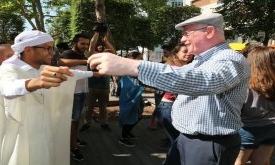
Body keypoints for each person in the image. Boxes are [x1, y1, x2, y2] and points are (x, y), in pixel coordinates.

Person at [88, 13, 251, 165]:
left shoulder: (230, 58)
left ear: (209, 31)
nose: (183, 39)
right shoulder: (202, 60)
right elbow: (178, 80)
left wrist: (132, 66)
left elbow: (204, 81)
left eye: (187, 33)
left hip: (208, 144)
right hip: (190, 140)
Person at [0, 30, 94, 165]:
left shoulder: (42, 68)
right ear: (28, 50)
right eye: (48, 48)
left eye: (53, 48)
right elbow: (6, 87)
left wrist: (97, 73)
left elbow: (71, 74)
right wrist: (35, 83)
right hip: (22, 136)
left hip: (44, 132)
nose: (52, 52)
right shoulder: (8, 69)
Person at [47, 33, 89, 161]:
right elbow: (61, 62)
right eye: (82, 44)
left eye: (87, 44)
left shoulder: (82, 54)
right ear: (74, 43)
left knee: (76, 120)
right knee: (72, 120)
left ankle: (73, 139)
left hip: (82, 91)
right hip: (72, 93)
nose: (85, 46)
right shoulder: (67, 53)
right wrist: (86, 61)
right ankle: (73, 147)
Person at [235, 47, 275, 165]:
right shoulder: (272, 81)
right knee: (263, 162)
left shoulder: (244, 82)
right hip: (271, 127)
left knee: (239, 162)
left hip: (247, 128)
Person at [80, 31, 116, 132]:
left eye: (103, 47)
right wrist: (97, 32)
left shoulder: (108, 59)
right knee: (89, 108)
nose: (101, 48)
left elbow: (113, 51)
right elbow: (91, 45)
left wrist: (106, 41)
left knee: (103, 108)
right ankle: (87, 124)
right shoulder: (92, 57)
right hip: (91, 87)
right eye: (99, 47)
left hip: (104, 88)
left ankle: (104, 123)